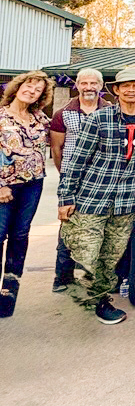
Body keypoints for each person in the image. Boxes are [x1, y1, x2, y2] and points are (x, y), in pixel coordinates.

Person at [57, 67, 135, 325]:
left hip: (127, 201)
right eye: (125, 85)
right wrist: (65, 197)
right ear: (116, 90)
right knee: (88, 252)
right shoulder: (99, 119)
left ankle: (100, 299)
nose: (130, 90)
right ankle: (86, 293)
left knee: (111, 254)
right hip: (92, 197)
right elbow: (76, 161)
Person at [50, 68, 110, 293]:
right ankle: (62, 277)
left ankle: (92, 275)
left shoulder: (111, 111)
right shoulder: (63, 113)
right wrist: (66, 175)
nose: (89, 87)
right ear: (77, 85)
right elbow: (57, 150)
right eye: (84, 83)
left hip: (102, 180)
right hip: (73, 179)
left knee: (100, 226)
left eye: (94, 83)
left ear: (100, 86)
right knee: (69, 225)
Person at [0, 71, 54, 317]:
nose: (32, 91)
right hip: (5, 187)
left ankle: (8, 296)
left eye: (38, 90)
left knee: (20, 235)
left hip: (33, 185)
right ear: (18, 86)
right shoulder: (1, 116)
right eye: (29, 85)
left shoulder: (40, 118)